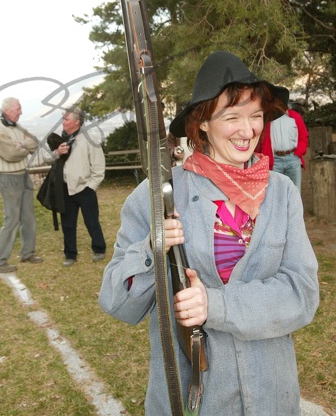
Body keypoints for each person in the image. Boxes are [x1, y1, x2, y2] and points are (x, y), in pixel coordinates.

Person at [99, 51, 319, 415]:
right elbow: (118, 303)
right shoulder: (158, 196)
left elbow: (302, 293)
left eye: (255, 116)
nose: (247, 130)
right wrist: (151, 250)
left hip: (272, 396)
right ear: (202, 123)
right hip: (194, 399)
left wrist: (214, 305)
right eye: (232, 117)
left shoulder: (281, 194)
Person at [0, 97, 43, 273]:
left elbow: (35, 141)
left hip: (23, 175)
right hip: (8, 178)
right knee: (11, 219)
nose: (21, 112)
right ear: (8, 110)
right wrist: (23, 147)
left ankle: (27, 253)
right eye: (18, 109)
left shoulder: (18, 126)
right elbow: (11, 153)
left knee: (28, 217)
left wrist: (23, 144)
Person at [49, 106, 107, 267]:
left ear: (77, 122)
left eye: (66, 119)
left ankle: (99, 249)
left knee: (91, 221)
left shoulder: (90, 139)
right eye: (63, 119)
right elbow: (47, 159)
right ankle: (70, 254)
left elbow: (98, 167)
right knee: (67, 224)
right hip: (65, 189)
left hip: (85, 189)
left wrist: (91, 187)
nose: (63, 122)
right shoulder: (58, 139)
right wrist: (56, 153)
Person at [259, 93, 309, 191]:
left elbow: (304, 136)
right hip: (275, 160)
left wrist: (298, 152)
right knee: (275, 191)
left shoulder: (295, 117)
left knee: (295, 191)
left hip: (293, 159)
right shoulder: (268, 118)